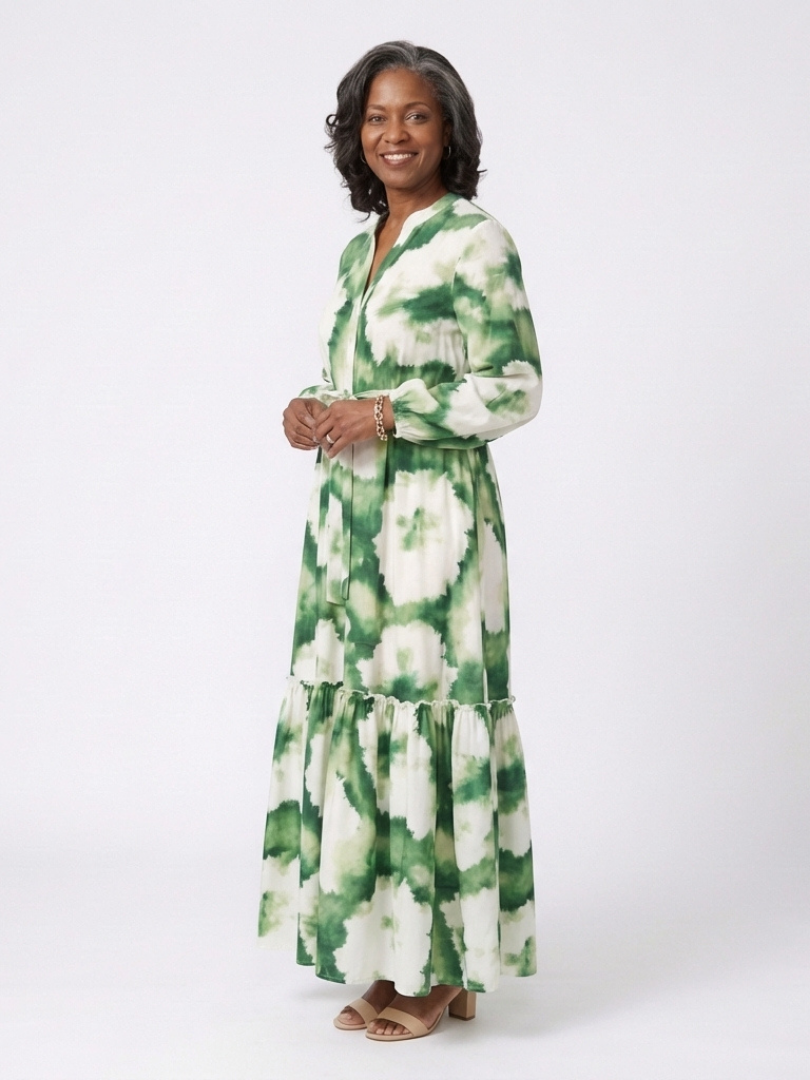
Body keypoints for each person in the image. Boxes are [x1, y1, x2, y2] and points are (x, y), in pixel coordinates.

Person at [258, 40, 542, 1043]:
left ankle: (442, 971)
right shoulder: (361, 249)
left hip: (434, 532)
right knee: (366, 727)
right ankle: (398, 956)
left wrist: (383, 413)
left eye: (415, 114)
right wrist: (312, 408)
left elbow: (515, 387)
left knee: (429, 719)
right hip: (349, 528)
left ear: (448, 129)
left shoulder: (475, 240)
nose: (394, 134)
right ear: (355, 135)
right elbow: (355, 379)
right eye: (376, 117)